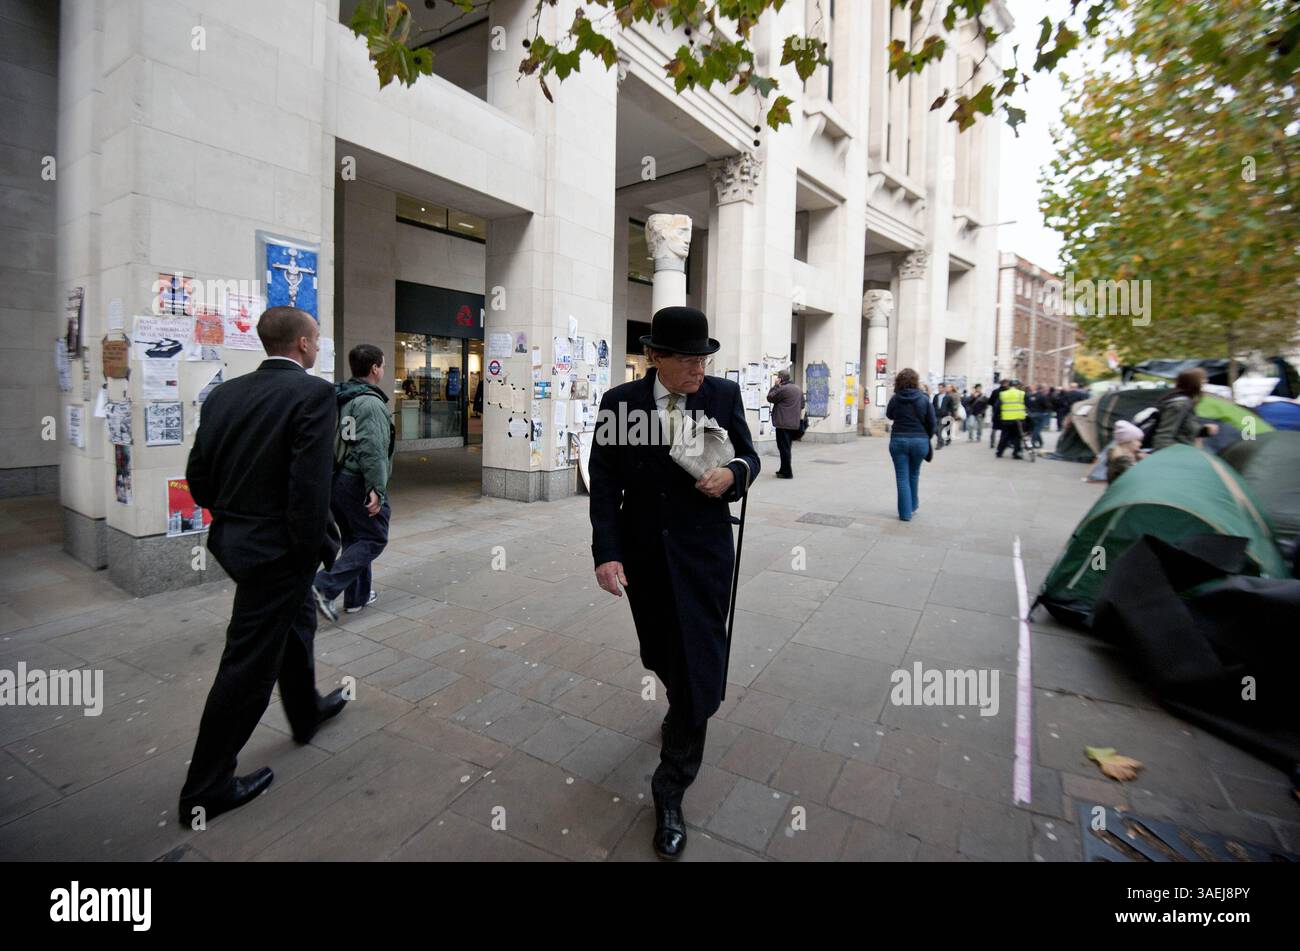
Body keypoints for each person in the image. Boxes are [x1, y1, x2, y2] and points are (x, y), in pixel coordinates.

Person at [588, 306, 759, 860]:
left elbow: (749, 457)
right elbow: (605, 483)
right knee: (661, 651)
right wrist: (607, 553)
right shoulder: (621, 405)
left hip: (705, 554)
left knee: (698, 666)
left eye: (705, 358)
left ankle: (670, 788)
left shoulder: (722, 397)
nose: (699, 370)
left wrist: (733, 474)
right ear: (655, 357)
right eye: (687, 359)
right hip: (645, 559)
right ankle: (681, 698)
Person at [178, 307, 347, 826]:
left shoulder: (226, 395)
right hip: (280, 551)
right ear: (301, 343)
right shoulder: (314, 394)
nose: (319, 346)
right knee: (248, 663)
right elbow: (309, 487)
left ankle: (305, 711)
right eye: (316, 338)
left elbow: (199, 479)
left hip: (237, 540)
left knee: (296, 623)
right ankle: (206, 787)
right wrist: (309, 551)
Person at [313, 344, 395, 622]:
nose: (383, 370)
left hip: (337, 478)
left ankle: (357, 598)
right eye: (382, 365)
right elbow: (372, 450)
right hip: (356, 479)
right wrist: (377, 489)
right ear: (375, 368)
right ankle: (323, 586)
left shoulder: (341, 397)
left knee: (354, 539)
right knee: (374, 537)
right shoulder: (370, 403)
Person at [886, 368, 936, 521]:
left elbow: (889, 415)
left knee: (902, 478)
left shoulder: (895, 399)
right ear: (916, 381)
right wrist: (925, 436)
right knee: (914, 474)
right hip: (919, 441)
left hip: (899, 440)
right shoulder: (924, 399)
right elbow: (932, 423)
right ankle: (913, 505)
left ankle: (905, 513)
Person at [1151, 368, 1219, 450]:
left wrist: (1203, 431)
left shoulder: (1187, 402)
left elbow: (1182, 430)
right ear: (1194, 383)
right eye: (1203, 380)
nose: (1205, 382)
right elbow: (1164, 436)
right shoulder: (1180, 404)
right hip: (1176, 455)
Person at [766, 370, 802, 478]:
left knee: (783, 448)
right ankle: (783, 469)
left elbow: (770, 397)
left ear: (781, 379)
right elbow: (802, 405)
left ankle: (787, 472)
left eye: (778, 377)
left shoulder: (783, 389)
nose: (777, 378)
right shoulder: (798, 389)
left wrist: (775, 386)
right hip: (793, 424)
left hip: (783, 423)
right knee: (786, 447)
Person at [1107, 420, 1146, 484]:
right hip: (1121, 491)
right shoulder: (1120, 459)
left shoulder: (1132, 454)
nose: (1140, 444)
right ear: (1128, 442)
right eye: (1138, 441)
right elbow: (1135, 475)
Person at [996, 379, 1027, 459]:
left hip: (1006, 419)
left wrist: (998, 416)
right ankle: (1016, 453)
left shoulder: (1003, 394)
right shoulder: (1021, 394)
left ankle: (999, 452)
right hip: (1018, 419)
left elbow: (997, 406)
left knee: (1004, 436)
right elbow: (1027, 405)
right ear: (1018, 385)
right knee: (1017, 437)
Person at [1027, 384, 1052, 449]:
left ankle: (1040, 442)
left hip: (1030, 413)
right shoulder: (1041, 396)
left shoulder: (1028, 396)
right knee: (1037, 429)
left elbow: (1027, 404)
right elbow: (1047, 405)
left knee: (1034, 429)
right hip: (1039, 413)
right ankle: (1033, 441)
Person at [988, 379, 1010, 449]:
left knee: (994, 428)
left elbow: (990, 402)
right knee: (1005, 429)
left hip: (996, 412)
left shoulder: (995, 391)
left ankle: (992, 443)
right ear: (1006, 384)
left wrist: (994, 406)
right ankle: (1003, 443)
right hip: (1006, 413)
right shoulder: (1008, 392)